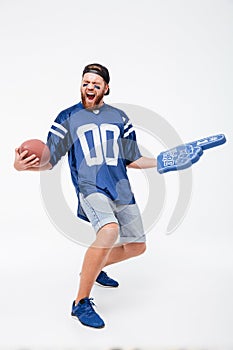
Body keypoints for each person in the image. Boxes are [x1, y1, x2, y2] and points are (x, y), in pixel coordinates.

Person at [14, 63, 157, 329]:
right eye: (85, 82)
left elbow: (131, 158)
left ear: (106, 88)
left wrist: (160, 162)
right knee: (109, 231)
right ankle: (81, 302)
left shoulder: (120, 118)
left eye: (96, 83)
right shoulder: (67, 117)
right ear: (81, 85)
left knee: (138, 246)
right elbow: (50, 159)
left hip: (121, 187)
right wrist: (23, 166)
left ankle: (96, 267)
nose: (89, 87)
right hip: (90, 187)